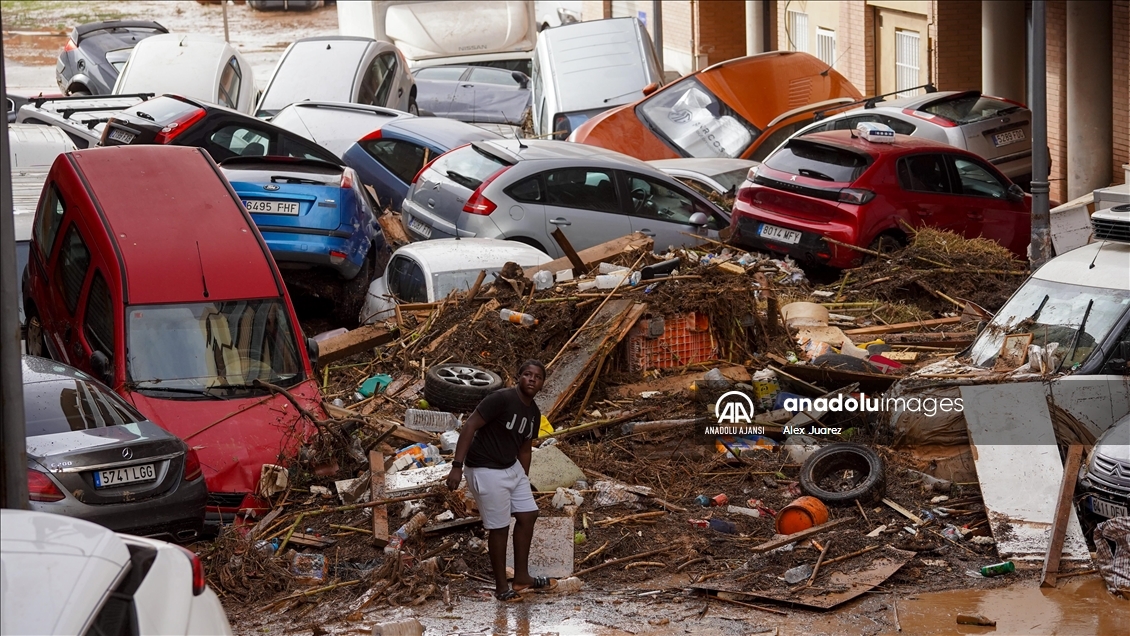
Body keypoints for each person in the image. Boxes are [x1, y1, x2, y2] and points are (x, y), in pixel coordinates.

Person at [445, 360, 556, 602]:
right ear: (518, 377)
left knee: (528, 515)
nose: (532, 379)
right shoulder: (501, 399)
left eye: (537, 376)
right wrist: (457, 466)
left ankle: (522, 578)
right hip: (485, 469)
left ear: (542, 384)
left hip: (512, 468)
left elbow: (525, 448)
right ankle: (500, 587)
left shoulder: (534, 413)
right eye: (527, 374)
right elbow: (470, 425)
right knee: (499, 527)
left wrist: (523, 479)